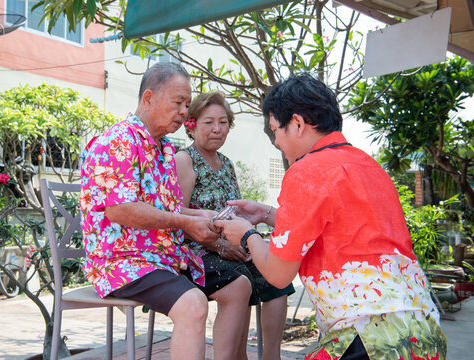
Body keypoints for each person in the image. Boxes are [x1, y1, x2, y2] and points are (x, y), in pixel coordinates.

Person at [215, 74, 447, 360]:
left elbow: (278, 274)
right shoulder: (369, 165)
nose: (275, 141)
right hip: (421, 331)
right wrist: (264, 214)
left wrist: (246, 235)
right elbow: (336, 226)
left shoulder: (305, 171)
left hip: (369, 337)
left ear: (298, 124)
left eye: (276, 129)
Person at [80, 62, 250, 360]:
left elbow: (166, 209)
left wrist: (201, 216)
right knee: (193, 303)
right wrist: (185, 221)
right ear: (148, 99)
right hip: (124, 261)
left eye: (187, 103)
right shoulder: (119, 141)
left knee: (239, 286)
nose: (185, 112)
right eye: (178, 102)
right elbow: (121, 210)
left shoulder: (164, 147)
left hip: (163, 257)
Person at [175, 91, 294, 360]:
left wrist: (245, 237)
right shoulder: (185, 160)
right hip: (197, 249)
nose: (217, 129)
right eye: (208, 122)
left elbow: (233, 210)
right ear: (192, 125)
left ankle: (270, 356)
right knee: (243, 277)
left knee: (277, 275)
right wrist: (218, 244)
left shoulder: (226, 163)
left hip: (229, 245)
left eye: (223, 122)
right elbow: (177, 217)